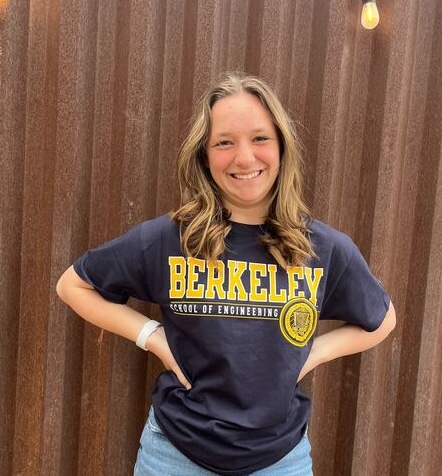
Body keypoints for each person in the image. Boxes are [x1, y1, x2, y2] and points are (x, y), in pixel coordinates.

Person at [56, 72, 396, 476]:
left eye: (259, 138)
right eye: (224, 142)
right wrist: (153, 338)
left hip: (279, 461)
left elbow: (382, 320)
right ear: (204, 155)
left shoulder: (322, 248)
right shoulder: (169, 239)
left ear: (282, 147)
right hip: (174, 456)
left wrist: (311, 355)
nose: (245, 158)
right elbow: (72, 285)